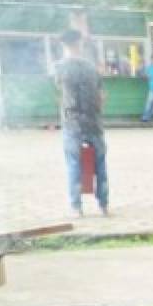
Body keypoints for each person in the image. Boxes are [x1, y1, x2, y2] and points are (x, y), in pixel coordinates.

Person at [54, 29, 109, 217]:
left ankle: (76, 207)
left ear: (63, 45)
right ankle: (104, 205)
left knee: (73, 164)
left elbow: (58, 93)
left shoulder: (59, 67)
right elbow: (102, 97)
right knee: (100, 164)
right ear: (80, 44)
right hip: (93, 121)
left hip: (72, 122)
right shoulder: (92, 67)